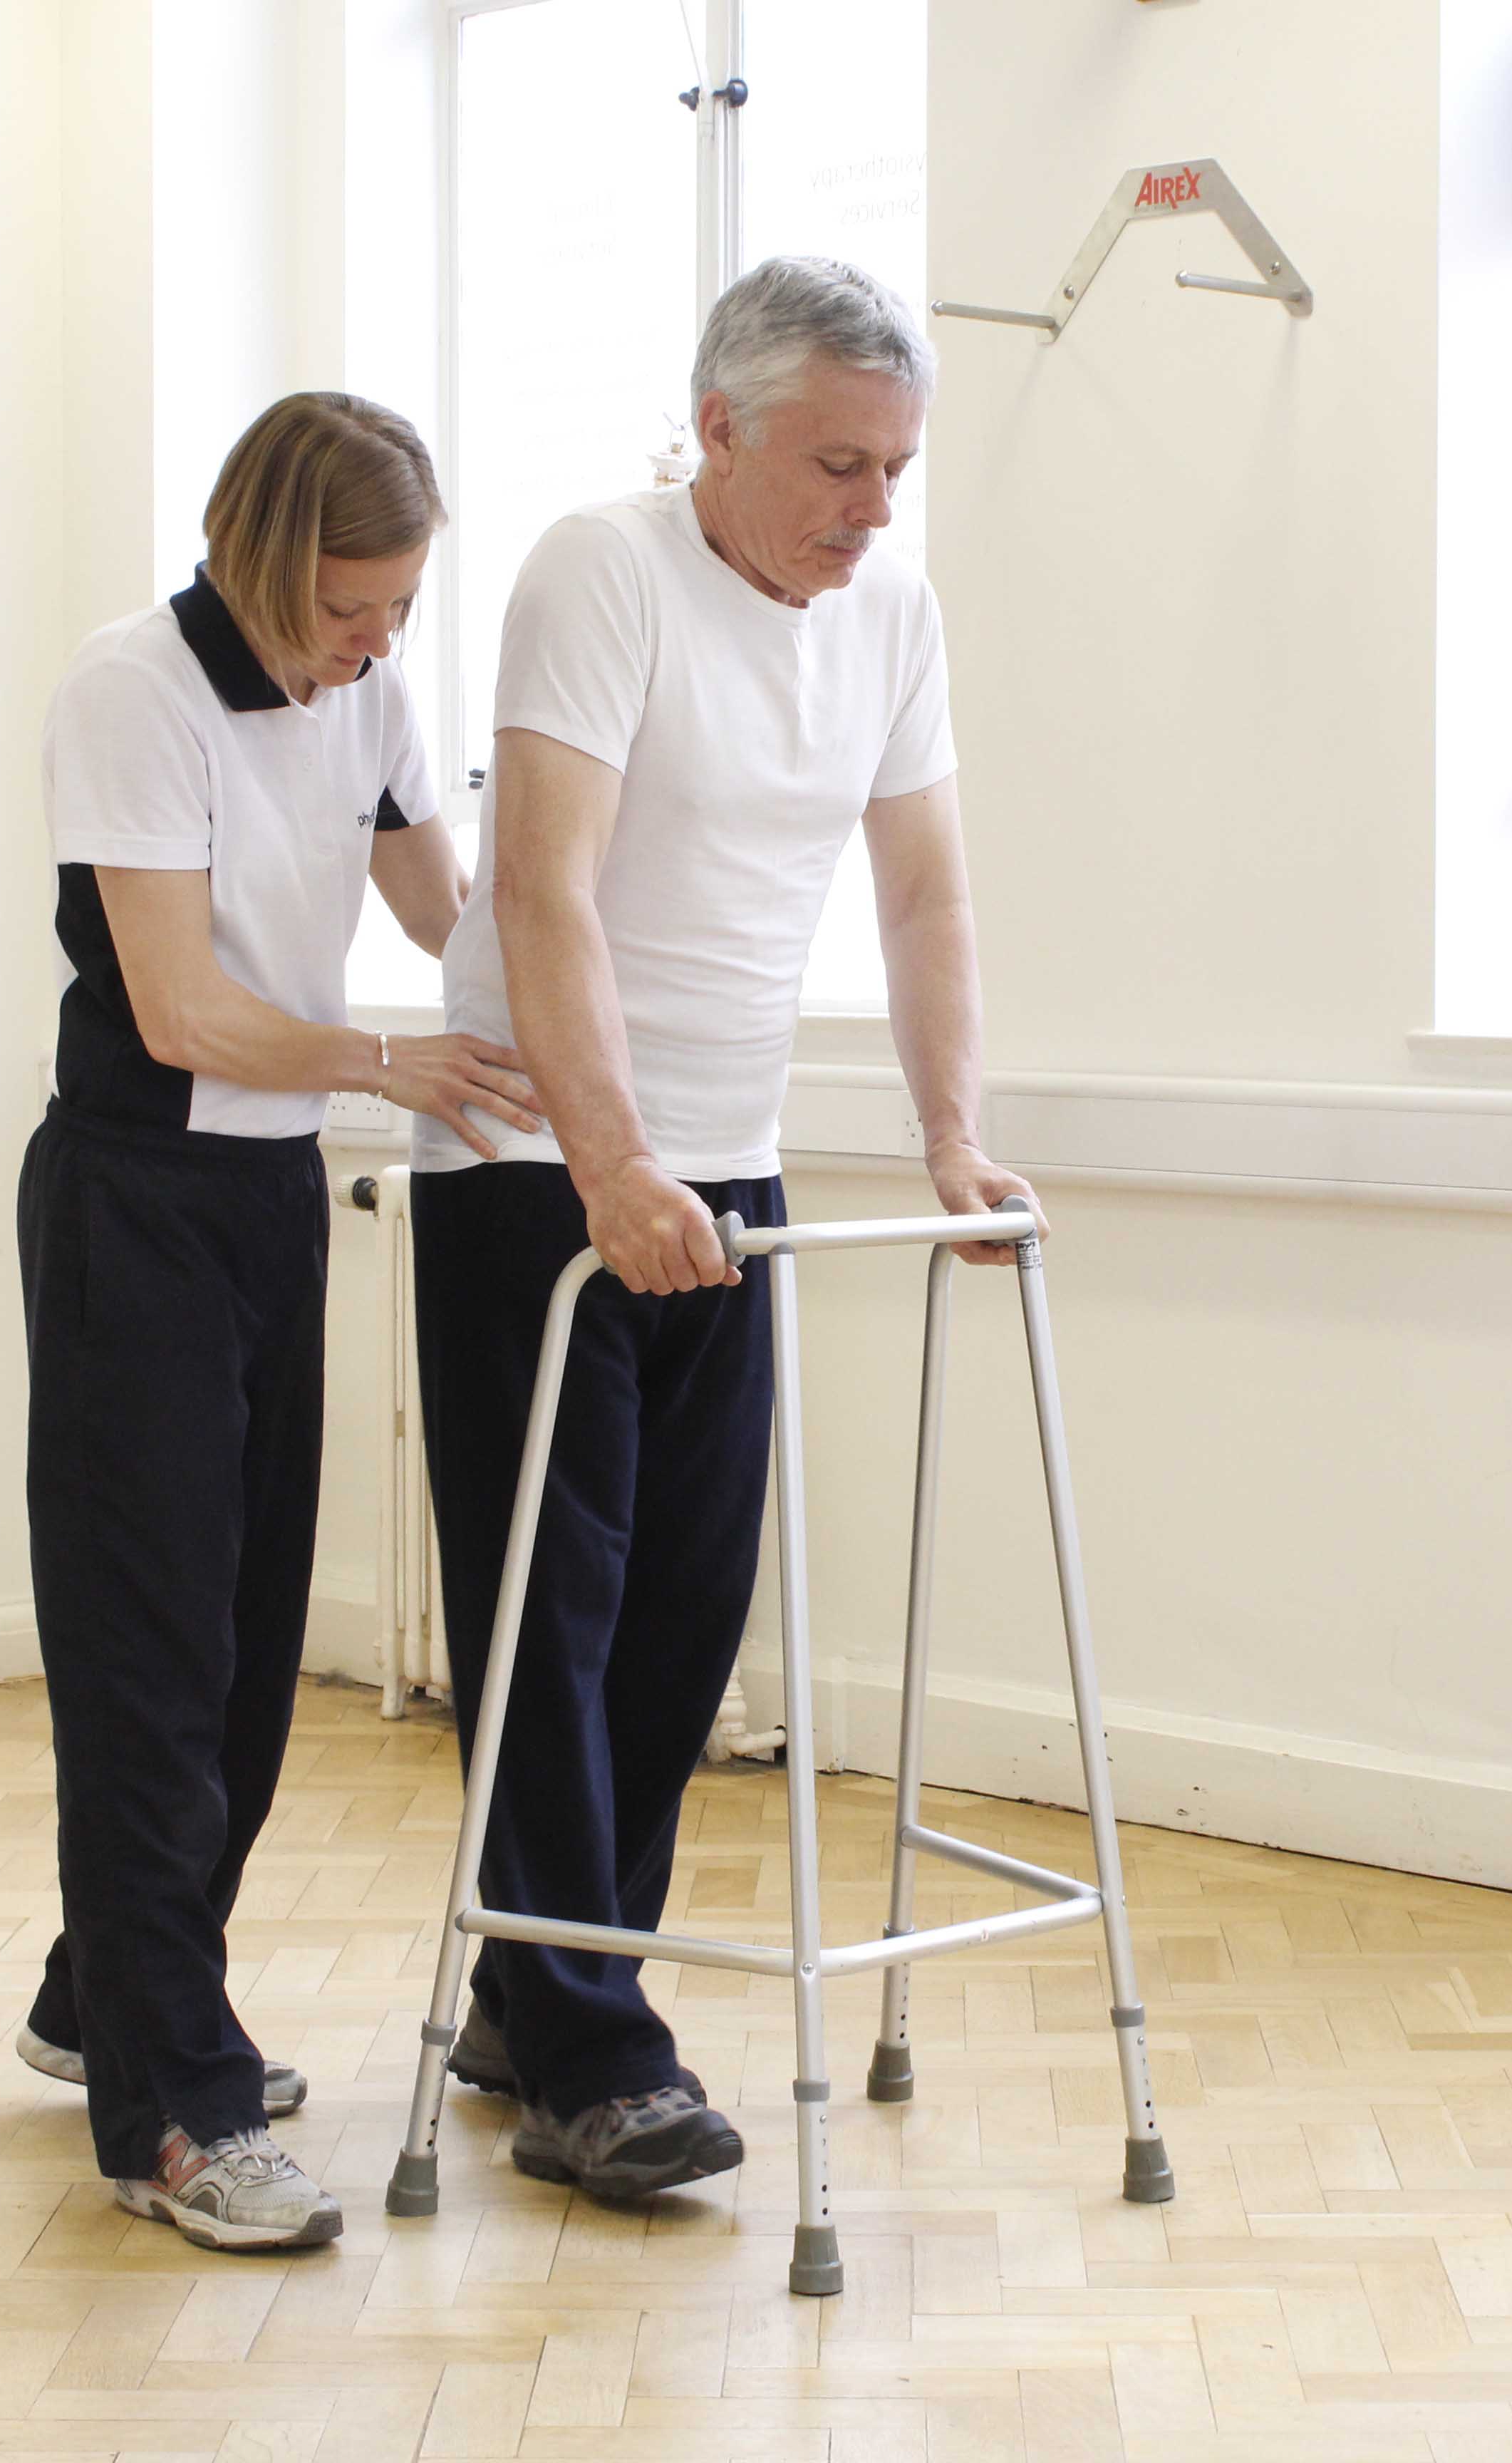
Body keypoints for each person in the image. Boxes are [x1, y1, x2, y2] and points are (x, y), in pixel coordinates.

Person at [409, 256, 1035, 2201]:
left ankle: (549, 1991)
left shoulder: (893, 619)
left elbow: (924, 895)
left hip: (729, 1175)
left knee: (682, 1617)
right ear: (720, 432)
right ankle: (601, 2049)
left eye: (895, 471)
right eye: (837, 464)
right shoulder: (599, 574)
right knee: (554, 1619)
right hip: (544, 1172)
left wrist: (953, 1143)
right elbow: (547, 891)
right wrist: (610, 1162)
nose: (870, 509)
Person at [15, 393, 542, 2252]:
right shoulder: (131, 692)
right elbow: (177, 1011)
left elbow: (446, 911)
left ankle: (108, 1996)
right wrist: (394, 1065)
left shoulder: (371, 697)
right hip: (133, 1204)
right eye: (348, 608)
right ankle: (176, 2113)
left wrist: (567, 998)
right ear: (260, 554)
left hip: (267, 1205)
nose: (374, 643)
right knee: (151, 1663)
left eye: (400, 610)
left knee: (241, 1656)